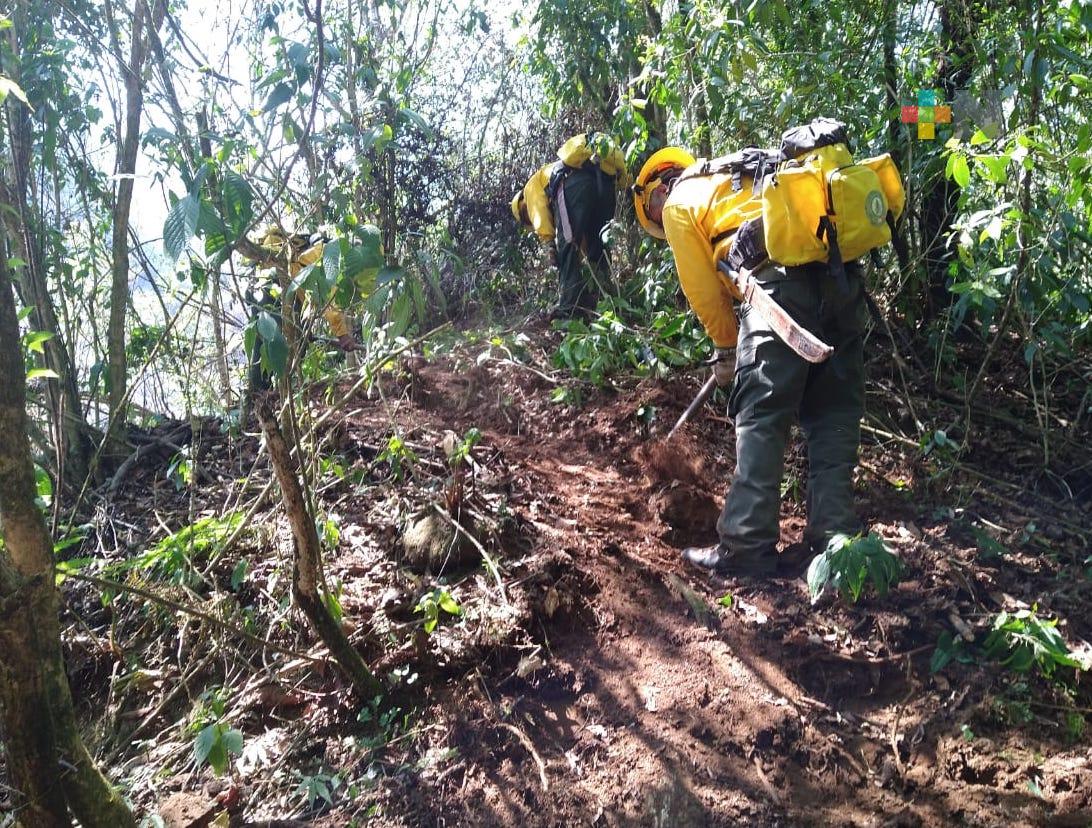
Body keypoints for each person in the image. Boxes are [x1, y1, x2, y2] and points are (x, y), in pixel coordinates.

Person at [632, 147, 868, 578]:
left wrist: (726, 346)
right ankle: (834, 540)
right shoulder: (742, 173)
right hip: (841, 280)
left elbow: (703, 291)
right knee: (833, 410)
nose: (658, 216)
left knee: (762, 413)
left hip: (774, 288)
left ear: (658, 188)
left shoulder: (682, 199)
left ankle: (746, 545)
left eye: (652, 209)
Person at [512, 133, 629, 319]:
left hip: (573, 183)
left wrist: (548, 243)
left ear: (522, 207)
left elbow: (540, 214)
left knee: (567, 246)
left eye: (527, 218)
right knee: (598, 244)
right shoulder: (561, 167)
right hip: (605, 183)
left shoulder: (530, 188)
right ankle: (605, 300)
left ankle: (567, 310)